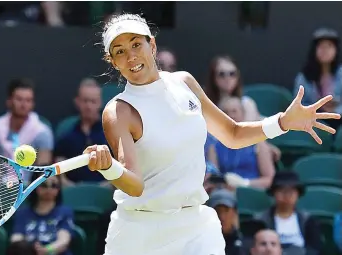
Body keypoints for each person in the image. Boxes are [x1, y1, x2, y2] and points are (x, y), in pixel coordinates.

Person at [81, 13, 340, 255]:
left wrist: (282, 122)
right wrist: (109, 168)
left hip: (195, 226)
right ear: (113, 62)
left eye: (136, 45)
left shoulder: (185, 82)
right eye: (120, 52)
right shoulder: (118, 111)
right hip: (139, 233)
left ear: (153, 45)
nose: (131, 56)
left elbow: (232, 133)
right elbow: (135, 185)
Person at [207, 97, 275, 189]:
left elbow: (269, 179)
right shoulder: (214, 146)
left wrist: (245, 183)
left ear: (243, 114)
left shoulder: (258, 143)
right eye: (226, 112)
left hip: (251, 191)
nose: (230, 115)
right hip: (224, 192)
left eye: (234, 111)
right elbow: (212, 176)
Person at [254, 171, 322, 254]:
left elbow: (314, 249)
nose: (286, 195)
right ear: (274, 193)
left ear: (298, 194)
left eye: (291, 191)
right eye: (281, 190)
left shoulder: (308, 220)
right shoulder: (261, 220)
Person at [10, 172, 74, 255]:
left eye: (54, 185)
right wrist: (31, 249)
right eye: (44, 185)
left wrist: (46, 250)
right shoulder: (22, 213)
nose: (49, 189)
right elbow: (16, 238)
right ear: (34, 186)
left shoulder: (65, 212)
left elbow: (64, 241)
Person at [295, 28, 342, 123]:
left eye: (329, 46)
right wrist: (317, 108)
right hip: (313, 120)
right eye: (321, 46)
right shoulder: (304, 76)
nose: (325, 50)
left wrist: (335, 110)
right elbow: (298, 105)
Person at [207, 189, 247, 255]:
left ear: (234, 212)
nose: (222, 216)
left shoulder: (246, 245)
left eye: (226, 210)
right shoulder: (201, 243)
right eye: (217, 210)